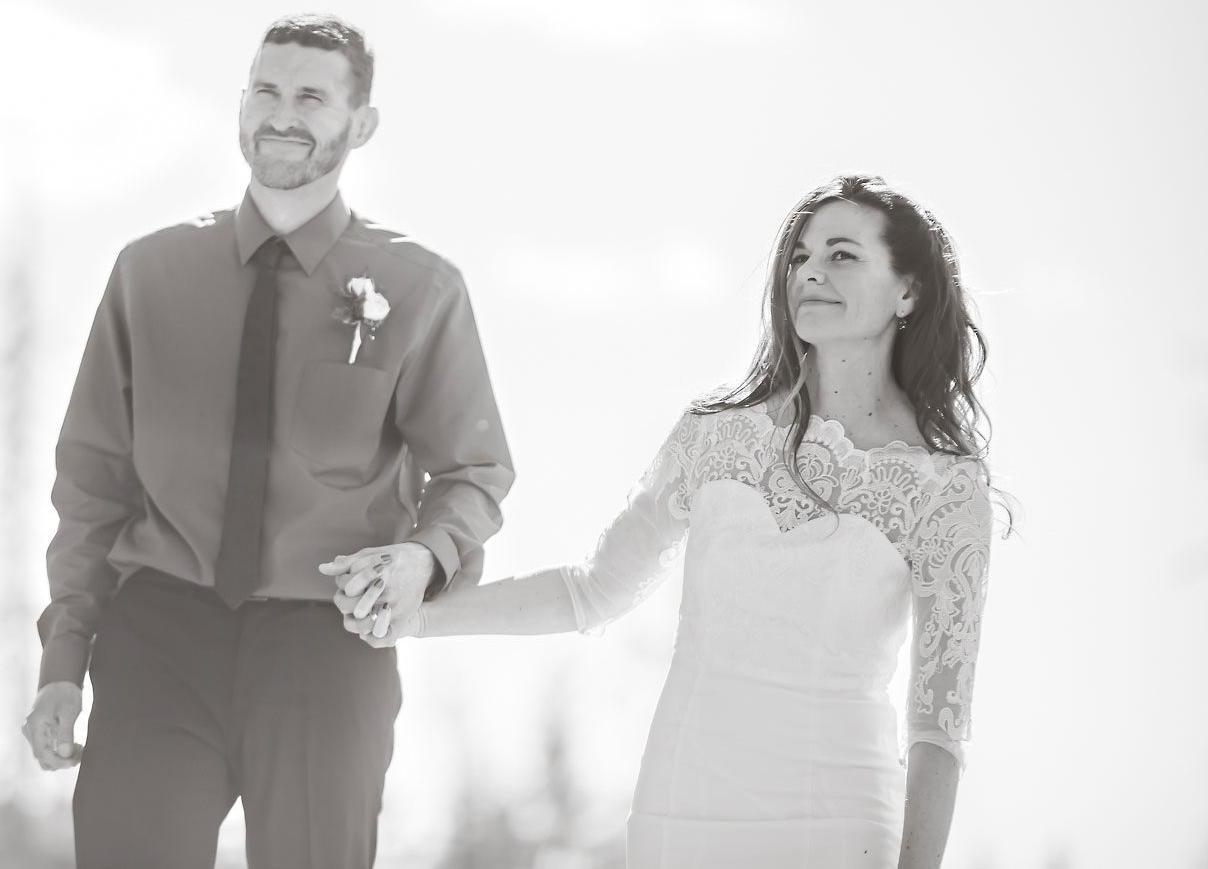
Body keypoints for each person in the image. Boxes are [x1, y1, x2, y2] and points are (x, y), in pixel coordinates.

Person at [326, 174, 998, 869]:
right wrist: (416, 617)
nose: (810, 272)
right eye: (800, 256)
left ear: (908, 291)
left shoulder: (946, 490)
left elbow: (938, 725)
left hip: (839, 824)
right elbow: (592, 590)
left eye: (842, 255)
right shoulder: (715, 435)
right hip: (682, 812)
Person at [23, 13, 514, 868]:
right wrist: (65, 657)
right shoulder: (149, 274)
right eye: (266, 90)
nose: (282, 114)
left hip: (328, 644)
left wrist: (422, 557)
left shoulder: (421, 288)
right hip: (159, 637)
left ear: (362, 123)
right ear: (241, 104)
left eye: (312, 97)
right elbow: (93, 481)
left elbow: (473, 472)